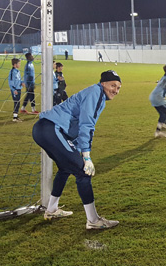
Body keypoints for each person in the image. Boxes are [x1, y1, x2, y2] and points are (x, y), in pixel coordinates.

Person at [32, 70, 122, 230]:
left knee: (65, 169)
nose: (115, 90)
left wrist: (80, 150)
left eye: (118, 87)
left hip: (45, 129)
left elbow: (77, 126)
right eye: (112, 85)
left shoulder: (97, 94)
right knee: (83, 171)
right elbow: (86, 124)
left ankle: (51, 209)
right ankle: (93, 220)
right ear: (103, 84)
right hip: (50, 129)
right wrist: (86, 157)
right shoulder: (96, 92)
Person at [149, 63, 166, 139]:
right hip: (159, 98)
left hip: (152, 97)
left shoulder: (164, 77)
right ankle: (163, 132)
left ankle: (157, 132)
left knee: (163, 115)